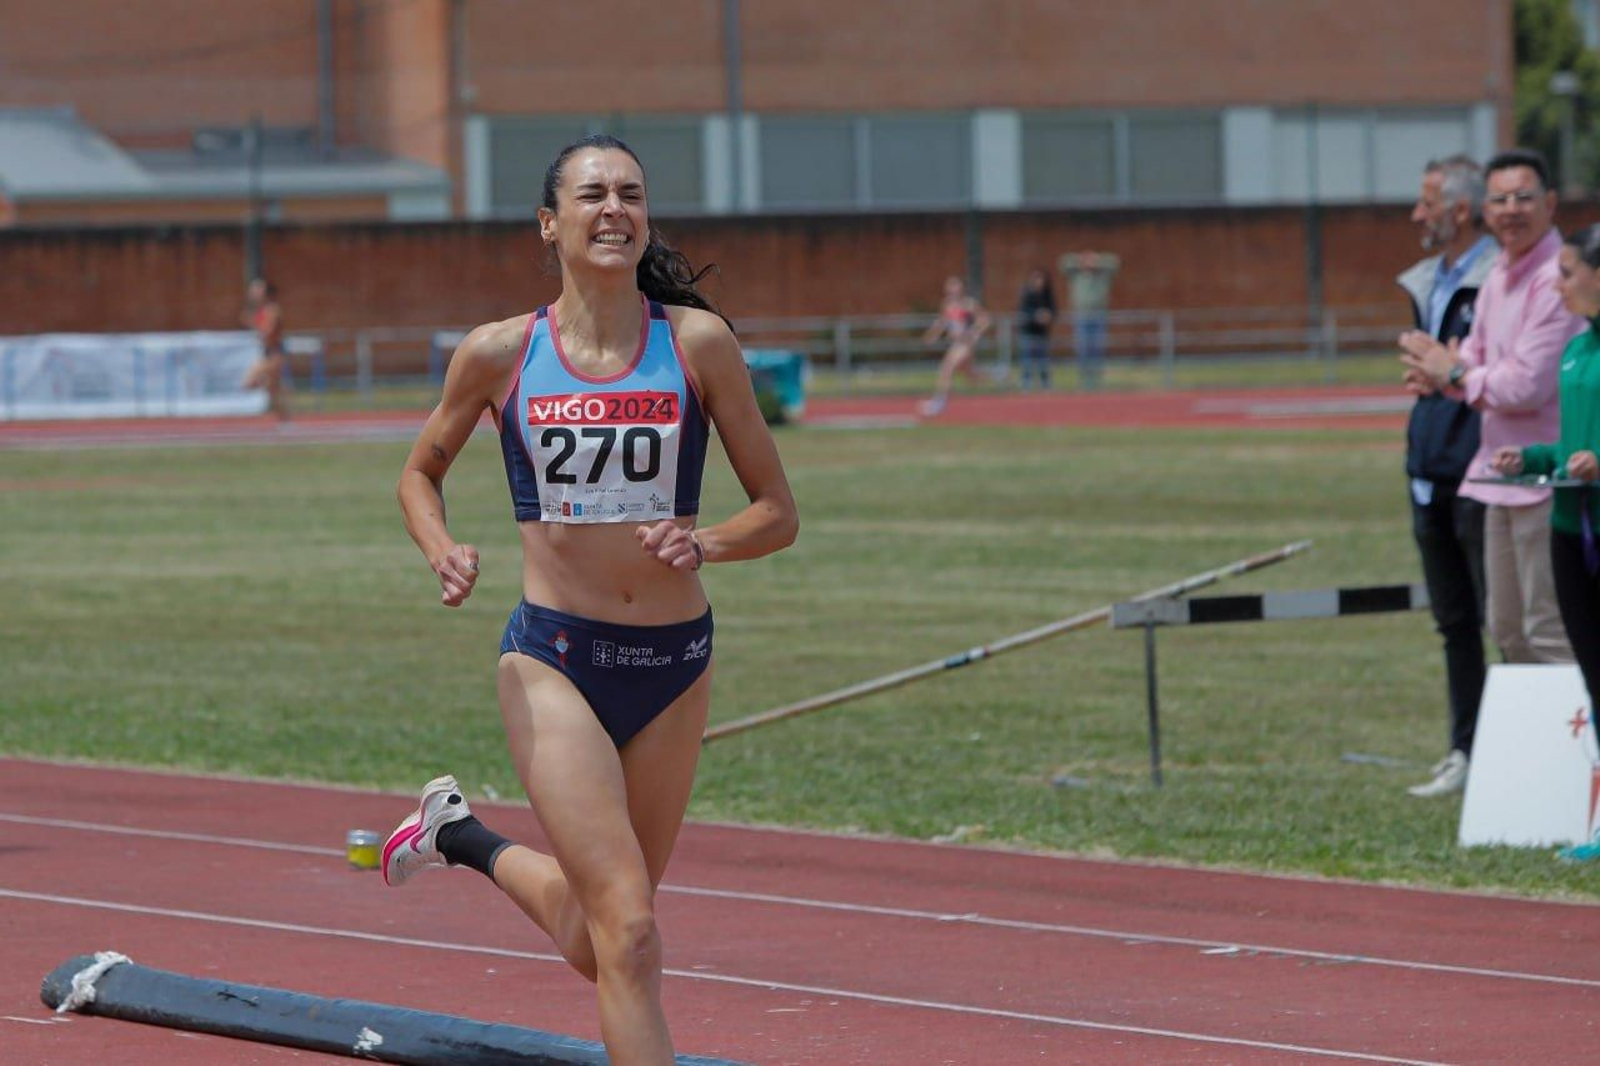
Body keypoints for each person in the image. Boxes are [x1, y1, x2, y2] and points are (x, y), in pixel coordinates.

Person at [383, 134, 799, 1063]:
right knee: (634, 936)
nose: (614, 208)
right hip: (554, 665)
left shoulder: (696, 345)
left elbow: (778, 513)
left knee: (601, 936)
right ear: (549, 221)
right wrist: (441, 547)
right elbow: (418, 474)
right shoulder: (500, 353)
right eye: (592, 194)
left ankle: (457, 836)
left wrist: (707, 540)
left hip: (672, 670)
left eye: (631, 194)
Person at [1401, 147, 1577, 678]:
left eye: (1523, 198)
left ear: (1549, 203)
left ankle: (1579, 755)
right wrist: (1444, 374)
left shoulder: (1556, 277)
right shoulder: (1500, 269)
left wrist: (1453, 374)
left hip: (1546, 481)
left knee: (1550, 632)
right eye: (1499, 199)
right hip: (1495, 475)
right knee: (1507, 630)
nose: (1510, 209)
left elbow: (1526, 384)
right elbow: (1476, 359)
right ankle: (1532, 758)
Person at [1490, 222, 1600, 858]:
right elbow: (1571, 444)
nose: (1556, 283)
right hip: (1569, 527)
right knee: (1593, 677)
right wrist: (1531, 458)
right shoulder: (1576, 349)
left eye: (1566, 272)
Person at [1394, 156, 1495, 798]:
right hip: (1428, 470)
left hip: (1484, 474)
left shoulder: (1500, 277)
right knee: (1454, 622)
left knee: (1511, 624)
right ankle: (1467, 749)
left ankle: (1534, 751)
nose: (1416, 214)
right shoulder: (1430, 280)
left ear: (1459, 209)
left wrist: (1451, 374)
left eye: (1427, 202)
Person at [919, 274, 991, 417]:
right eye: (951, 287)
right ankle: (997, 376)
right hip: (956, 344)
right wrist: (933, 334)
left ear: (961, 288)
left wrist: (974, 333)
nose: (953, 290)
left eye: (956, 286)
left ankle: (939, 404)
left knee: (947, 368)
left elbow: (985, 320)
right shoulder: (947, 304)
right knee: (970, 375)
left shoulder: (969, 304)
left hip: (966, 345)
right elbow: (941, 322)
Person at [1058, 250, 1120, 390]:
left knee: (1097, 348)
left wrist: (1098, 260)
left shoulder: (1102, 274)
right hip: (1082, 315)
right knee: (1083, 348)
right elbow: (1063, 263)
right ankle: (1084, 379)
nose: (1090, 264)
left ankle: (1096, 379)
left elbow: (1115, 263)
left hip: (1099, 315)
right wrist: (1081, 259)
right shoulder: (1077, 274)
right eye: (1088, 261)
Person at [240, 277, 290, 422]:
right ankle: (285, 420)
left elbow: (269, 332)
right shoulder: (261, 310)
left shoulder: (272, 310)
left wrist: (253, 325)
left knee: (249, 382)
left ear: (265, 293)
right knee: (272, 391)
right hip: (267, 353)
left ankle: (284, 391)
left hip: (274, 354)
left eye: (257, 290)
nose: (253, 293)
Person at [1016, 267, 1057, 390]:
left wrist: (1048, 314)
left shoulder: (1047, 294)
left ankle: (1045, 382)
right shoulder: (1027, 293)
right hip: (1028, 331)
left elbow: (1054, 310)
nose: (1039, 282)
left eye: (1041, 279)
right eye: (1037, 279)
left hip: (1042, 332)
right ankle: (1026, 382)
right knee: (1027, 358)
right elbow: (1023, 310)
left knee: (1043, 359)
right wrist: (1036, 315)